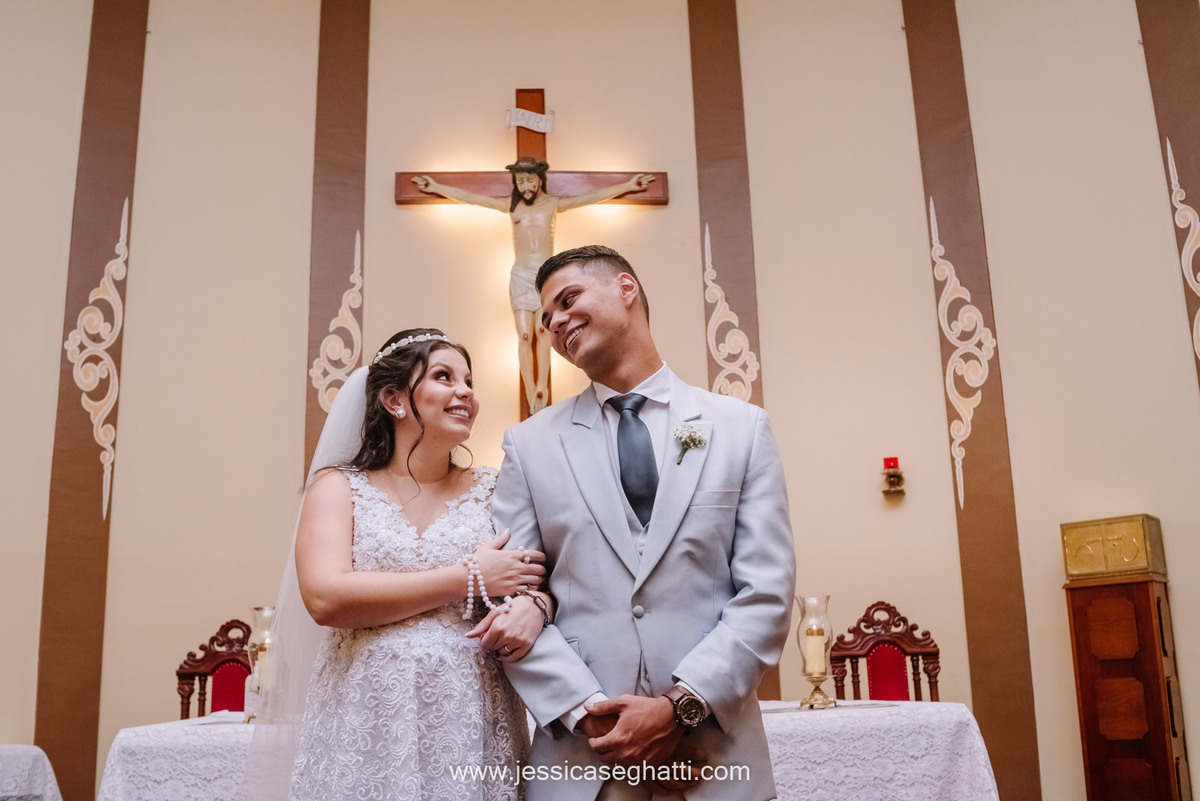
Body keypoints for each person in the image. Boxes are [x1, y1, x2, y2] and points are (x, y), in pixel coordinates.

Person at [477, 246, 797, 800]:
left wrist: (680, 708)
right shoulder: (529, 445)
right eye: (547, 316)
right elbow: (509, 601)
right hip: (582, 765)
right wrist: (592, 718)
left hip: (713, 761)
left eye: (568, 299)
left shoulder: (740, 429)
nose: (555, 322)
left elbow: (767, 593)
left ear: (627, 289)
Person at [251, 328, 550, 801]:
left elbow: (539, 580)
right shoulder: (339, 488)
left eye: (469, 381)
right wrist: (467, 577)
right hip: (366, 712)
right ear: (394, 399)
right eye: (444, 376)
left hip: (471, 711)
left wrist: (537, 604)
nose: (466, 391)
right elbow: (327, 598)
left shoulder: (498, 489)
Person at [412, 160, 655, 414]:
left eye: (530, 180)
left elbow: (592, 196)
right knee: (525, 335)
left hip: (544, 281)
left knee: (543, 332)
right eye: (520, 181)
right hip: (520, 275)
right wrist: (436, 186)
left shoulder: (552, 204)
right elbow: (472, 198)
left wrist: (628, 185)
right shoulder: (511, 206)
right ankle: (531, 391)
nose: (525, 185)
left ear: (540, 180)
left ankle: (542, 387)